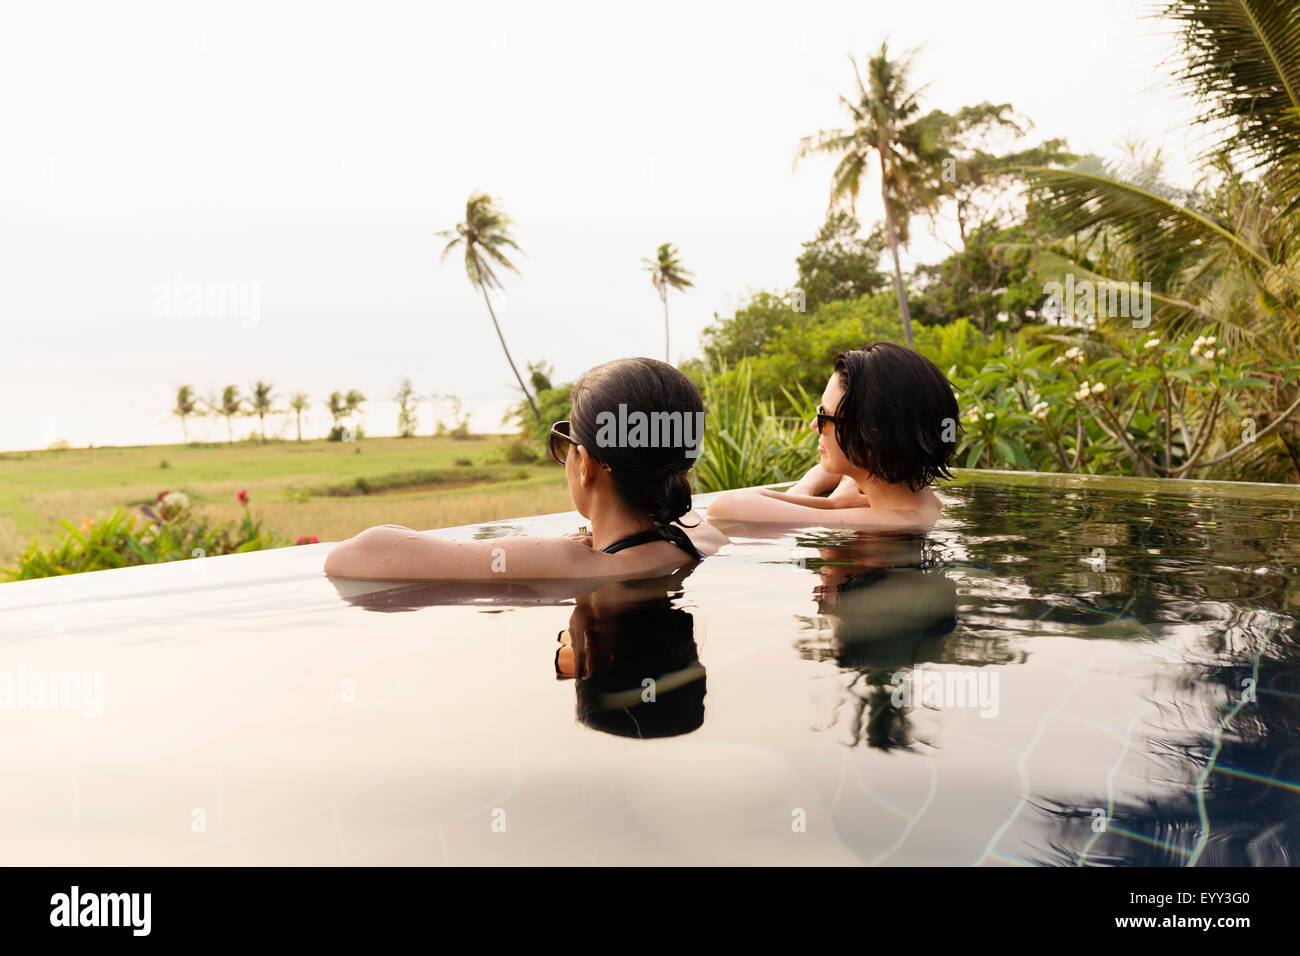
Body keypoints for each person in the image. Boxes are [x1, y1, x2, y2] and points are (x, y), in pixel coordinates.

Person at [324, 357, 727, 581]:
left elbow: (354, 555)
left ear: (585, 464)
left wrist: (553, 551)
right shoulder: (704, 541)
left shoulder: (573, 564)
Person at [706, 342, 959, 530]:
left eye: (824, 417)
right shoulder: (912, 497)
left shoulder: (892, 523)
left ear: (871, 436)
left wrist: (830, 504)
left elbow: (724, 508)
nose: (813, 425)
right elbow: (833, 466)